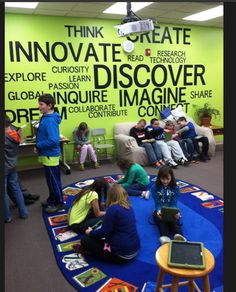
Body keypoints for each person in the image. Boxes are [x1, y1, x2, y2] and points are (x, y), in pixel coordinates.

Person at [78, 184, 140, 263]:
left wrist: (90, 232)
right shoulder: (129, 207)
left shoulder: (112, 209)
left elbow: (104, 232)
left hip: (121, 254)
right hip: (135, 248)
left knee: (85, 240)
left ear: (110, 196)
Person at [35, 93, 65, 213]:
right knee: (50, 180)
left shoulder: (50, 121)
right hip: (46, 154)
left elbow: (53, 140)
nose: (39, 106)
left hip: (50, 155)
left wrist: (39, 145)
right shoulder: (45, 117)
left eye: (41, 104)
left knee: (54, 181)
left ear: (49, 105)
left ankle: (60, 203)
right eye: (39, 104)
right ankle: (52, 199)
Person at [150, 165, 186, 245]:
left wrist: (175, 212)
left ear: (171, 178)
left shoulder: (176, 188)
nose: (165, 181)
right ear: (159, 178)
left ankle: (178, 235)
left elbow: (174, 202)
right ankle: (165, 237)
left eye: (168, 179)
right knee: (161, 221)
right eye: (163, 179)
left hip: (171, 208)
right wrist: (159, 211)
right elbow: (157, 203)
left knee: (174, 219)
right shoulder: (154, 188)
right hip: (159, 209)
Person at [4, 114, 29, 223]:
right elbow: (21, 140)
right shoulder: (16, 134)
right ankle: (23, 212)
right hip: (13, 166)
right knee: (16, 188)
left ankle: (7, 216)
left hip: (4, 167)